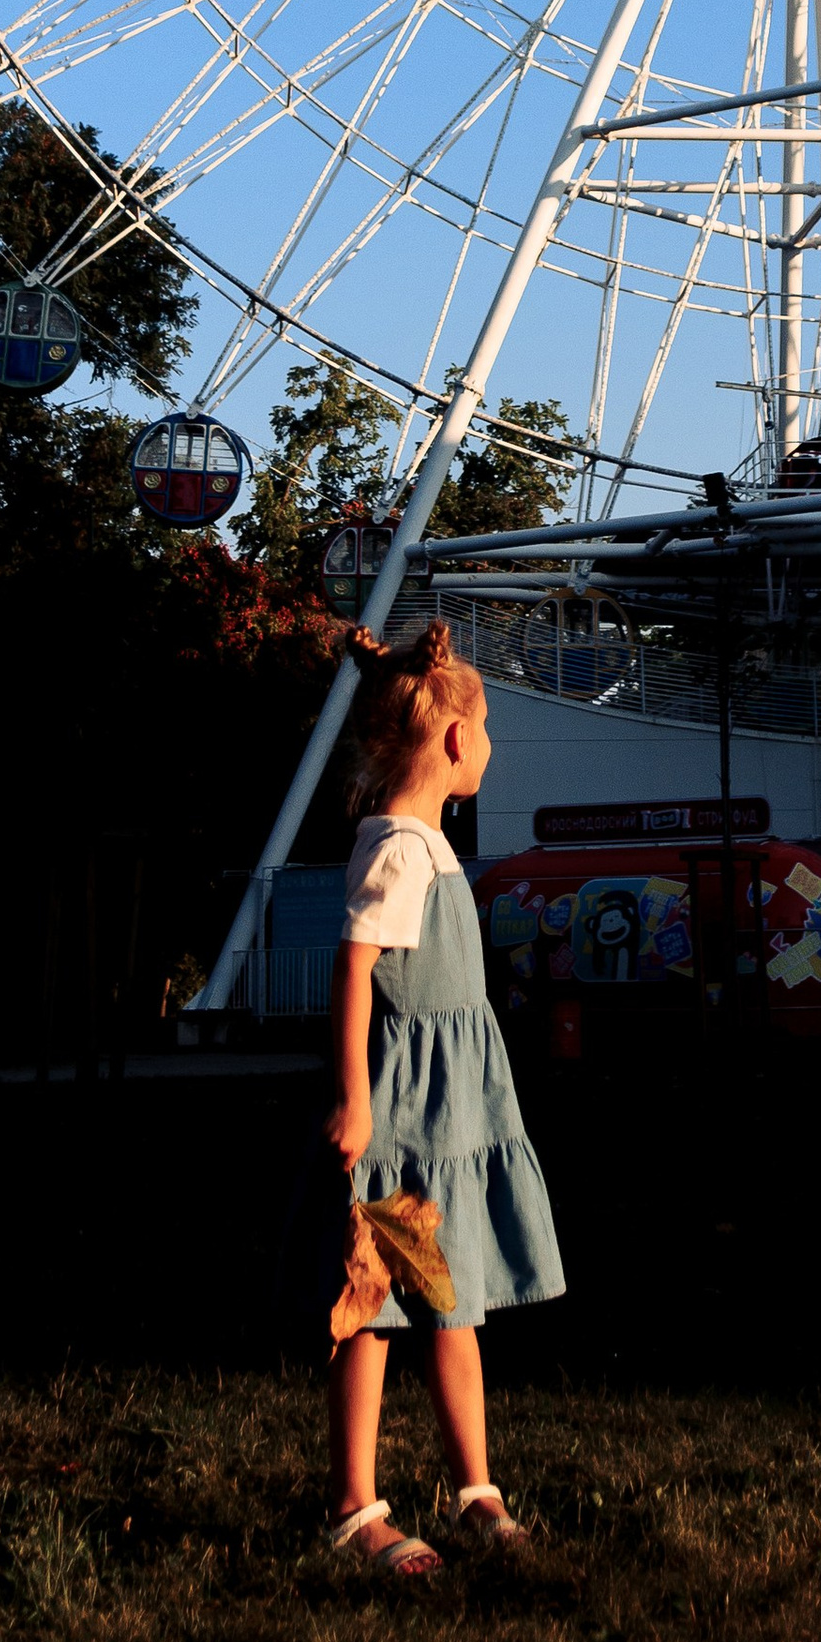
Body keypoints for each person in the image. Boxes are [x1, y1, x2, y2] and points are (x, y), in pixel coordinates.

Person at [322, 618, 565, 1580]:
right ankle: (354, 1508)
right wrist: (354, 1098)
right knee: (373, 1307)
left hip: (451, 1115)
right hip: (402, 1120)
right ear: (458, 738)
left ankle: (477, 1491)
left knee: (451, 1300)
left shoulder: (426, 845)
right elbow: (353, 969)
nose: (490, 744)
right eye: (489, 727)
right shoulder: (394, 849)